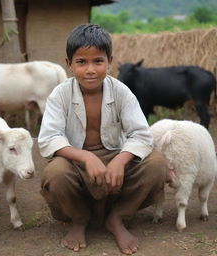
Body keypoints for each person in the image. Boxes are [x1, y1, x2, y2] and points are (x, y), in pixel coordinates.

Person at [38, 23, 168, 255]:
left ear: (109, 62)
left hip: (115, 156)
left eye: (98, 61)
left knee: (156, 163)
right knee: (55, 172)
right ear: (69, 64)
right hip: (75, 164)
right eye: (81, 62)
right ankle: (79, 219)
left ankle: (117, 217)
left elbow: (141, 134)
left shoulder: (121, 92)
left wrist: (120, 160)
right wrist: (85, 156)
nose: (90, 70)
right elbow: (49, 138)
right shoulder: (60, 94)